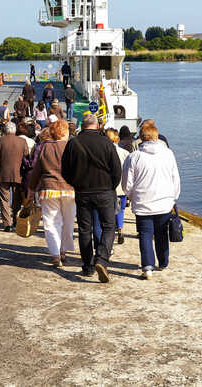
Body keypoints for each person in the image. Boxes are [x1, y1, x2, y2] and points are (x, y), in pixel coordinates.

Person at [61, 113, 122, 282]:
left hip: (83, 192)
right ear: (97, 126)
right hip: (104, 191)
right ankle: (101, 259)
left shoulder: (73, 143)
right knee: (109, 227)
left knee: (84, 229)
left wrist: (75, 183)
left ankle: (87, 266)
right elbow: (117, 170)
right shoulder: (106, 143)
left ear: (82, 125)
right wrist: (111, 186)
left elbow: (65, 170)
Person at [123, 121, 181, 280]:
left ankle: (147, 267)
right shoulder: (168, 154)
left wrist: (130, 196)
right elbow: (175, 178)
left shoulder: (134, 157)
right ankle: (163, 262)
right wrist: (173, 197)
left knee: (145, 234)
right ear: (156, 137)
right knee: (161, 233)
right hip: (164, 203)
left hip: (143, 203)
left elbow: (127, 183)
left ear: (141, 138)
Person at [28, 119, 75, 267]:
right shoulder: (71, 146)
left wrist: (31, 189)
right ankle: (63, 250)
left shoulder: (44, 147)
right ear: (64, 132)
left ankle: (55, 253)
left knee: (51, 221)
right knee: (68, 221)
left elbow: (36, 170)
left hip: (48, 188)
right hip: (69, 188)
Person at [0, 121, 29, 232]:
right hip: (19, 175)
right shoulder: (22, 141)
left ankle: (7, 223)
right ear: (14, 130)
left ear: (4, 130)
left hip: (2, 174)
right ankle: (16, 221)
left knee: (4, 200)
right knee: (17, 199)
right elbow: (26, 160)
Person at [106, 128, 130, 245]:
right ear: (117, 139)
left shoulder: (103, 151)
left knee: (110, 210)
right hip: (121, 187)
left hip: (108, 187)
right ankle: (120, 228)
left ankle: (112, 231)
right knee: (121, 209)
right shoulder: (125, 153)